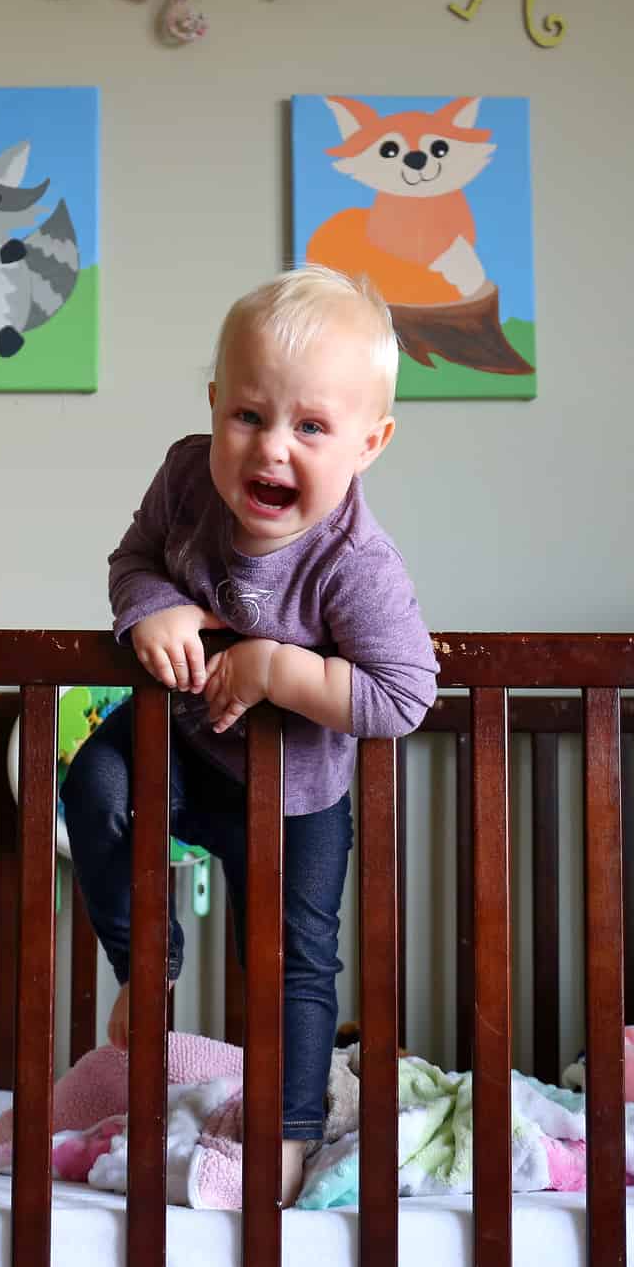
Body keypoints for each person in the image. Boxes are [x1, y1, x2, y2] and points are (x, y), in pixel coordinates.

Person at [61, 264, 438, 1205]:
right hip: (183, 749)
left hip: (301, 794)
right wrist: (149, 609)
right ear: (216, 405)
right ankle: (144, 963)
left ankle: (286, 1130)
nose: (272, 448)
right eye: (249, 416)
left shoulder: (356, 562)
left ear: (369, 442)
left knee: (294, 963)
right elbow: (135, 558)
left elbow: (402, 695)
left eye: (311, 427)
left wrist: (276, 666)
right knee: (92, 787)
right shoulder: (188, 478)